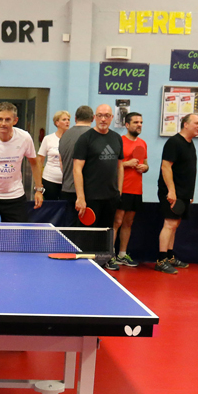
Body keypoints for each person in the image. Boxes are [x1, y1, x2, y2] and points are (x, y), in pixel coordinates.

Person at [73, 104, 123, 270]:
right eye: (100, 115)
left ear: (111, 118)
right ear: (94, 117)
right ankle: (86, 263)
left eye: (107, 115)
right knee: (88, 234)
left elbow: (120, 166)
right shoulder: (85, 139)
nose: (103, 119)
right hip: (90, 196)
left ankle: (106, 259)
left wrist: (119, 190)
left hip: (111, 196)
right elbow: (77, 168)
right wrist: (81, 197)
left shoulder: (117, 138)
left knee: (107, 231)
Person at [156, 114, 198, 275]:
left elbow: (187, 170)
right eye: (196, 123)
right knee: (169, 224)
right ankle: (161, 260)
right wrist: (171, 190)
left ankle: (170, 257)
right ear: (186, 125)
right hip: (172, 192)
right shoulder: (174, 142)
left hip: (183, 193)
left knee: (175, 225)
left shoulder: (190, 143)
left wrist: (189, 194)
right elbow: (165, 166)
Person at [114, 112, 149, 267]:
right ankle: (110, 254)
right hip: (122, 188)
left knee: (128, 223)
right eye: (135, 122)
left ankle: (122, 255)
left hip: (136, 190)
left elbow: (145, 164)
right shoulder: (119, 141)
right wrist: (126, 164)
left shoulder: (143, 143)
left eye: (141, 122)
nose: (139, 125)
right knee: (117, 221)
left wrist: (145, 168)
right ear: (127, 125)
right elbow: (112, 165)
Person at [58, 105, 94, 220]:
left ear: (75, 118)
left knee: (69, 227)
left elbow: (61, 163)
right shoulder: (93, 136)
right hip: (85, 192)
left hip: (66, 189)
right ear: (93, 118)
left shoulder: (64, 135)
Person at [37, 111, 69, 201]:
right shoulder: (48, 139)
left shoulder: (71, 139)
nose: (67, 122)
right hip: (50, 179)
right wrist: (38, 183)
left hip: (66, 181)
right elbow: (40, 161)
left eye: (68, 120)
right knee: (51, 205)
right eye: (64, 120)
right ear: (57, 122)